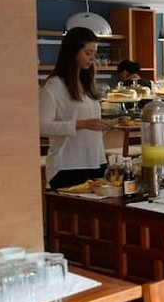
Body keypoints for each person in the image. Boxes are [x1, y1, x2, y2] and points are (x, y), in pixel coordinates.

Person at [39, 27, 115, 190]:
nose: (92, 58)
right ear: (72, 53)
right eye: (88, 53)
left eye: (94, 53)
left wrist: (104, 126)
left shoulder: (88, 86)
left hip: (95, 162)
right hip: (67, 166)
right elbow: (42, 127)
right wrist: (80, 124)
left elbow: (89, 129)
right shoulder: (54, 86)